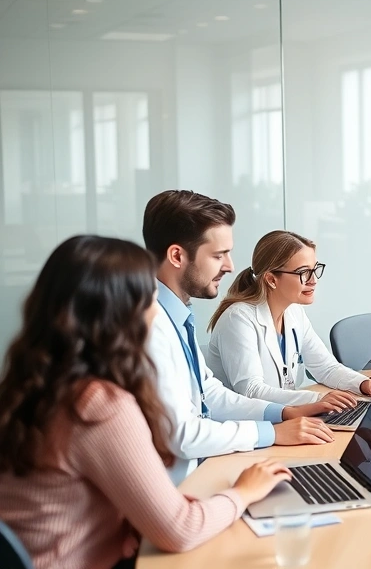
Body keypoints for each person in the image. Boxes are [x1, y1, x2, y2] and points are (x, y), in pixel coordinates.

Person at [0, 236, 291, 569]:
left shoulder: (29, 385)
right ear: (121, 313)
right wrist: (244, 492)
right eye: (151, 297)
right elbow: (181, 529)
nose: (158, 310)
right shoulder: (97, 405)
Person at [143, 190, 345, 485]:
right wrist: (272, 432)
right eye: (218, 255)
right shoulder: (150, 326)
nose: (230, 266)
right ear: (177, 256)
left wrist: (285, 413)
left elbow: (209, 394)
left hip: (207, 464)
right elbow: (183, 435)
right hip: (179, 484)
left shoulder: (178, 313)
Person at [207, 230, 371, 405]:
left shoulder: (294, 312)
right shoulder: (238, 319)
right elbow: (251, 391)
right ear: (271, 279)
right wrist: (317, 399)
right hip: (247, 425)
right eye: (304, 272)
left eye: (315, 269)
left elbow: (326, 368)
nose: (313, 280)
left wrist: (362, 384)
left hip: (285, 417)